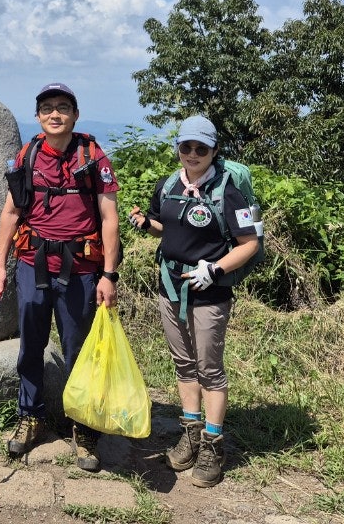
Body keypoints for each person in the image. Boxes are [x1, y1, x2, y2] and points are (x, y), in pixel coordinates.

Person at [0, 83, 120, 472]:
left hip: (81, 268)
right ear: (38, 116)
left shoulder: (92, 155)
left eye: (63, 107)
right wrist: (1, 265)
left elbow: (110, 217)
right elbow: (11, 214)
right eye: (47, 108)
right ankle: (31, 415)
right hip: (32, 262)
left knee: (79, 348)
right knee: (30, 344)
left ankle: (84, 426)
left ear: (75, 115)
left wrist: (109, 275)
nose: (55, 114)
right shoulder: (28, 155)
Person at [129, 114, 259, 487]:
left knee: (209, 370)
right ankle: (190, 433)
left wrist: (214, 270)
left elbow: (249, 244)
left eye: (201, 148)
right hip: (170, 286)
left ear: (214, 150)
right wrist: (145, 224)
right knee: (184, 365)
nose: (192, 153)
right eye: (186, 146)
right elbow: (164, 225)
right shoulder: (169, 184)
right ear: (179, 148)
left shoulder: (227, 190)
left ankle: (212, 445)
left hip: (209, 293)